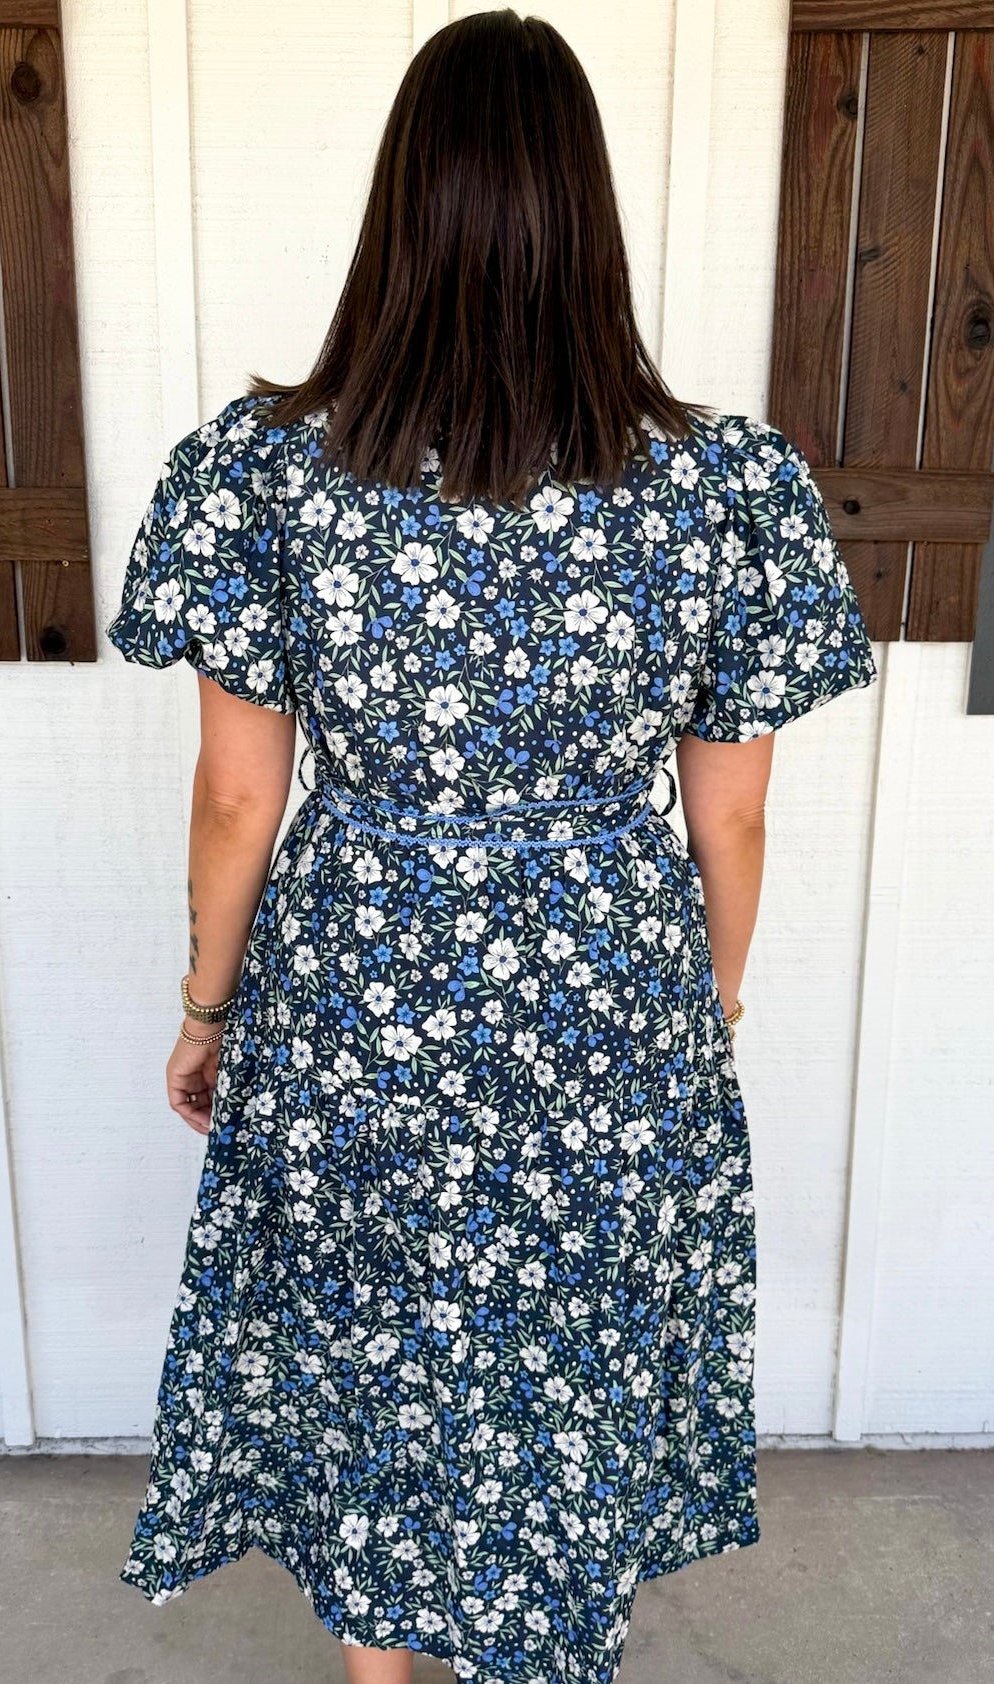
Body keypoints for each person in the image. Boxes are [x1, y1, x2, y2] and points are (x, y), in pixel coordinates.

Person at [106, 10, 877, 1683]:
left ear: (403, 208)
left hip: (360, 983)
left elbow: (239, 798)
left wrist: (207, 1007)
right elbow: (731, 813)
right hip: (610, 990)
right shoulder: (724, 488)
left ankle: (382, 1667)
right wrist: (708, 1002)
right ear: (585, 220)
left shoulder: (264, 473)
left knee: (375, 1343)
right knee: (564, 1351)